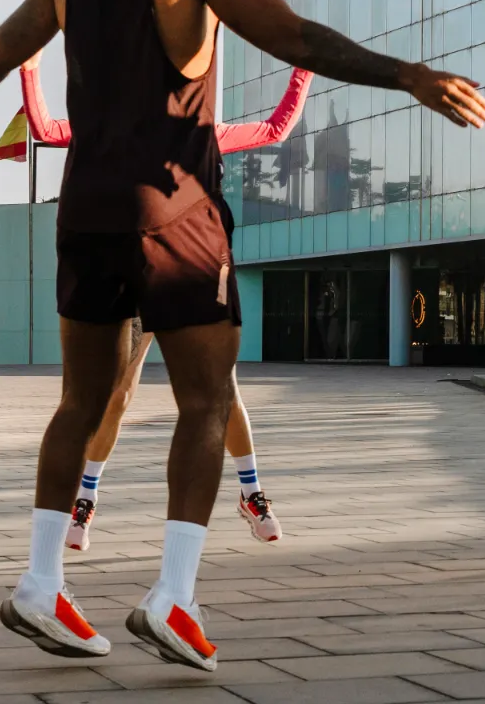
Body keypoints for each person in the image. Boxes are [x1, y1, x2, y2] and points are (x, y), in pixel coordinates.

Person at [0, 0, 485, 671]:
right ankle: (173, 596)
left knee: (79, 403)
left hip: (85, 213)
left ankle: (40, 580)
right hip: (175, 215)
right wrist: (408, 75)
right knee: (206, 401)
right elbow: (293, 37)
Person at [18, 50, 311, 547]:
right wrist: (29, 68)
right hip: (130, 276)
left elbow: (276, 129)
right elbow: (45, 129)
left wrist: (304, 68)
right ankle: (85, 501)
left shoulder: (205, 134)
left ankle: (252, 492)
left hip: (190, 273)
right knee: (117, 394)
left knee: (222, 390)